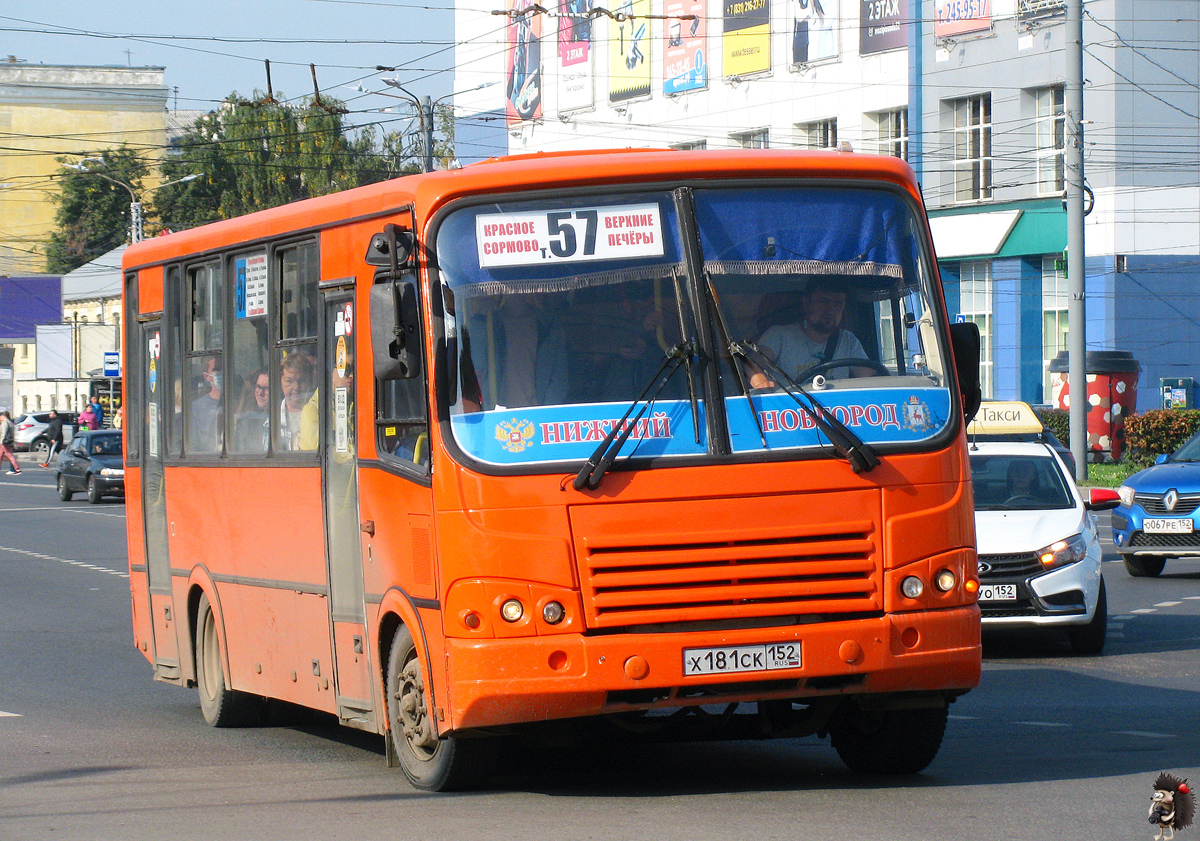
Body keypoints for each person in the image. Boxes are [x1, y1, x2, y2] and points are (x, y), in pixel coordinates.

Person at [749, 279, 876, 387]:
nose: (831, 310)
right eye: (824, 301)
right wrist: (761, 383)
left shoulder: (847, 340)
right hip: (792, 410)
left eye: (838, 304)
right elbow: (751, 364)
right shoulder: (779, 335)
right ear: (807, 303)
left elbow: (870, 379)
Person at [279, 352, 315, 450]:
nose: (296, 387)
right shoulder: (272, 420)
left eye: (301, 381)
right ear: (280, 381)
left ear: (310, 382)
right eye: (289, 381)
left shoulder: (319, 415)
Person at [190, 355, 223, 452]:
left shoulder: (240, 402)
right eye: (217, 369)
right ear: (206, 376)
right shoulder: (196, 408)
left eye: (224, 368)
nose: (223, 372)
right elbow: (193, 445)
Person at [233, 368, 270, 452]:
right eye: (258, 387)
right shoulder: (245, 419)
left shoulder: (281, 418)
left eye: (266, 388)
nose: (260, 393)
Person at [0, 410, 20, 475]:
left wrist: (1, 441)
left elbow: (4, 433)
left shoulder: (5, 423)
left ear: (3, 416)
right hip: (8, 441)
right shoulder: (10, 422)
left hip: (4, 442)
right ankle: (15, 469)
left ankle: (16, 469)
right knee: (1, 455)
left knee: (9, 455)